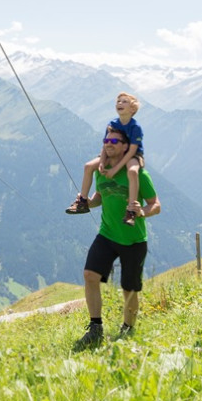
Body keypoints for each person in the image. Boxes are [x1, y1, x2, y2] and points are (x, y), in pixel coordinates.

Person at [74, 127, 161, 348]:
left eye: (115, 140)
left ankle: (128, 329)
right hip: (107, 234)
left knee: (129, 289)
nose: (109, 143)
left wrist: (142, 211)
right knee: (90, 275)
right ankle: (95, 327)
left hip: (134, 240)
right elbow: (100, 197)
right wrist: (86, 202)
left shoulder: (139, 174)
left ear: (126, 147)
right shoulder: (101, 170)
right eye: (106, 140)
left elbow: (156, 205)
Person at [66, 92, 145, 226]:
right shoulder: (113, 124)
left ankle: (131, 210)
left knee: (132, 171)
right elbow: (106, 144)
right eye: (118, 101)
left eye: (124, 101)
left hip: (133, 155)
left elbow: (132, 150)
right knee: (88, 166)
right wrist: (102, 161)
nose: (120, 103)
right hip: (112, 154)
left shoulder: (135, 127)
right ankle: (83, 201)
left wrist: (115, 169)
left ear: (133, 109)